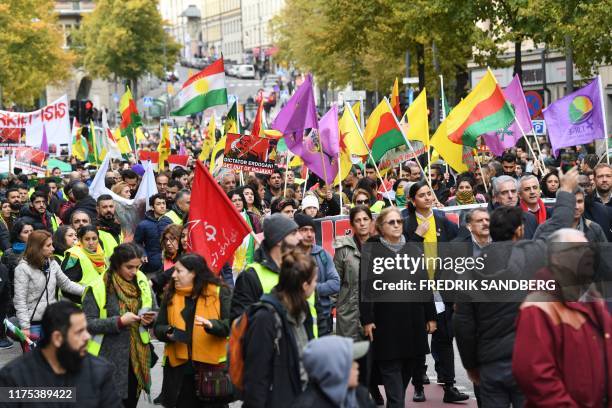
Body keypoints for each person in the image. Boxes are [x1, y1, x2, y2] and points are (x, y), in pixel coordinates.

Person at [453, 167, 579, 408]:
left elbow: (463, 324)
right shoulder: (532, 254)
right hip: (530, 359)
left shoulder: (471, 269)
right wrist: (565, 191)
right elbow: (559, 224)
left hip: (490, 363)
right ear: (520, 230)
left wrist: (471, 365)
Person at [512, 228, 612, 407]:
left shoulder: (594, 298)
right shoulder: (539, 306)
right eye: (577, 249)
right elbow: (534, 374)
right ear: (557, 258)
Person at [359, 207, 436, 408]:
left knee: (406, 372)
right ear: (381, 227)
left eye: (399, 222)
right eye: (391, 222)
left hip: (412, 321)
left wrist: (431, 315)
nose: (396, 225)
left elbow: (423, 283)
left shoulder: (412, 249)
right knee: (392, 379)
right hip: (385, 324)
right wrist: (367, 320)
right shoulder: (371, 250)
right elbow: (365, 287)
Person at [401, 181, 466, 403]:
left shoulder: (441, 220)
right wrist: (418, 235)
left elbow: (460, 242)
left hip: (441, 289)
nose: (428, 198)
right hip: (417, 290)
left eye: (429, 194)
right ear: (412, 200)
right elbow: (403, 257)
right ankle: (418, 384)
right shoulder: (405, 223)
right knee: (418, 339)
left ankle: (449, 386)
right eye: (422, 195)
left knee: (445, 336)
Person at [0, 301, 122, 408]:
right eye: (79, 332)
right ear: (57, 338)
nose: (87, 337)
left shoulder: (100, 372)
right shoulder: (14, 378)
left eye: (86, 330)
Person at [82, 243, 155, 408]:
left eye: (138, 267)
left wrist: (150, 319)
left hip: (137, 359)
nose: (134, 272)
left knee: (130, 402)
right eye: (129, 267)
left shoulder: (142, 281)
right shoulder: (98, 286)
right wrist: (119, 322)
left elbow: (154, 309)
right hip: (107, 359)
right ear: (116, 264)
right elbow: (87, 322)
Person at [154, 253, 231, 408]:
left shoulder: (219, 292)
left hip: (211, 371)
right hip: (180, 373)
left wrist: (213, 326)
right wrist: (167, 332)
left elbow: (233, 324)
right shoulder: (171, 294)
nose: (174, 275)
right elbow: (158, 327)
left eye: (179, 271)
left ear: (194, 273)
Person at [242, 249, 317, 408]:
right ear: (305, 286)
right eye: (315, 281)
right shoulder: (265, 319)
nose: (316, 285)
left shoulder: (304, 312)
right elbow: (256, 379)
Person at [14, 230, 84, 341]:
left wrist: (89, 291)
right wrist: (25, 327)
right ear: (37, 247)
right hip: (33, 324)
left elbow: (67, 284)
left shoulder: (52, 263)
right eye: (48, 245)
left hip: (50, 320)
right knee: (35, 357)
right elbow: (20, 300)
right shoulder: (22, 269)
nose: (53, 248)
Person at [230, 213, 302, 321]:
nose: (300, 237)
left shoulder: (301, 269)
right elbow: (239, 324)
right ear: (279, 240)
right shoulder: (250, 277)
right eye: (293, 233)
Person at [291, 336, 375, 408]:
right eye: (350, 362)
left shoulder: (360, 395)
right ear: (334, 368)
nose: (356, 365)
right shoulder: (308, 405)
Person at [294, 213, 340, 336]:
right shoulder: (288, 256)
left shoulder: (322, 254)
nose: (309, 234)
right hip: (297, 318)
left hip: (323, 317)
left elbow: (335, 283)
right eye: (304, 230)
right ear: (295, 232)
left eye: (312, 230)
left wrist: (309, 289)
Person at [333, 206, 373, 340]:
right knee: (351, 358)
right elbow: (335, 283)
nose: (362, 223)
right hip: (349, 315)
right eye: (358, 220)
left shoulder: (381, 246)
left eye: (365, 219)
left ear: (371, 221)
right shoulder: (343, 249)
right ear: (351, 224)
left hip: (375, 314)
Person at [61, 225, 107, 302]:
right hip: (79, 305)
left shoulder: (100, 253)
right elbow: (65, 284)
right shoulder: (73, 255)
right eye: (87, 239)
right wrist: (88, 293)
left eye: (94, 239)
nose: (91, 242)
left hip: (97, 302)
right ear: (80, 240)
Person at [134, 194, 167, 274]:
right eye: (158, 204)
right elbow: (137, 242)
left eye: (164, 203)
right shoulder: (143, 225)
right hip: (151, 265)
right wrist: (143, 253)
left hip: (168, 265)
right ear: (152, 207)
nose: (162, 206)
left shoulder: (170, 221)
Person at [96, 194, 124, 259]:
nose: (108, 210)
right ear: (98, 209)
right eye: (104, 207)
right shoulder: (95, 228)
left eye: (111, 206)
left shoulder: (117, 225)